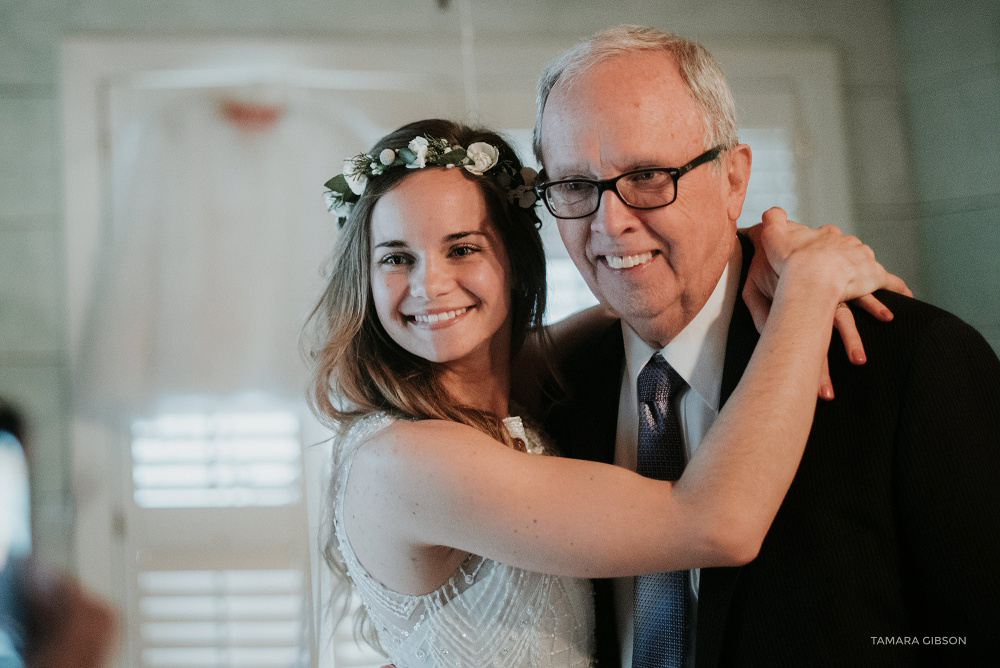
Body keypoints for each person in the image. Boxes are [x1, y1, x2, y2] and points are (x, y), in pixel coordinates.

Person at [309, 118, 907, 667]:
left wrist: (747, 249)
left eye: (462, 248)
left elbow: (625, 304)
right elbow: (717, 523)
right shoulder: (408, 459)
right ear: (362, 277)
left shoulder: (495, 387)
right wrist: (810, 285)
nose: (429, 285)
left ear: (516, 261)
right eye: (395, 258)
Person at [534, 25, 1000, 667]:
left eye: (646, 175)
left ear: (733, 180)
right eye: (575, 186)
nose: (609, 222)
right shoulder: (553, 392)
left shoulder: (911, 360)